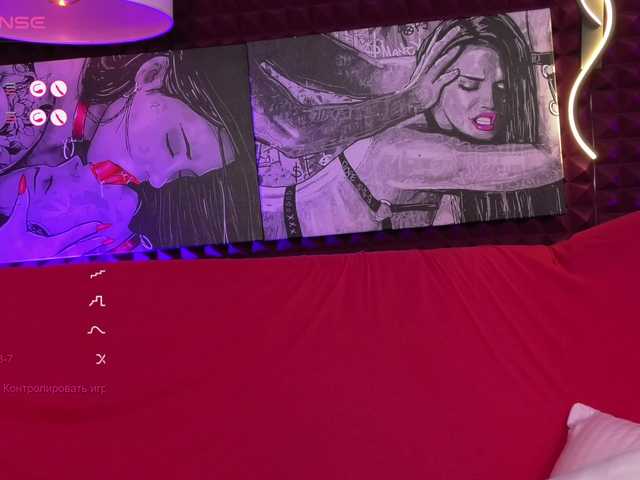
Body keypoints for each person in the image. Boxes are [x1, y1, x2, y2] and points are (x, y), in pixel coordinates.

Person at [258, 15, 564, 239]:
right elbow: (552, 161)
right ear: (437, 85)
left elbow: (367, 73)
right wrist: (544, 59)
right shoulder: (403, 153)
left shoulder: (429, 122)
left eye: (503, 88)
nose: (490, 102)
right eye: (469, 85)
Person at [0, 47, 262, 254]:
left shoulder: (77, 163)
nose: (158, 180)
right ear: (151, 75)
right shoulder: (21, 101)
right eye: (171, 144)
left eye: (182, 175)